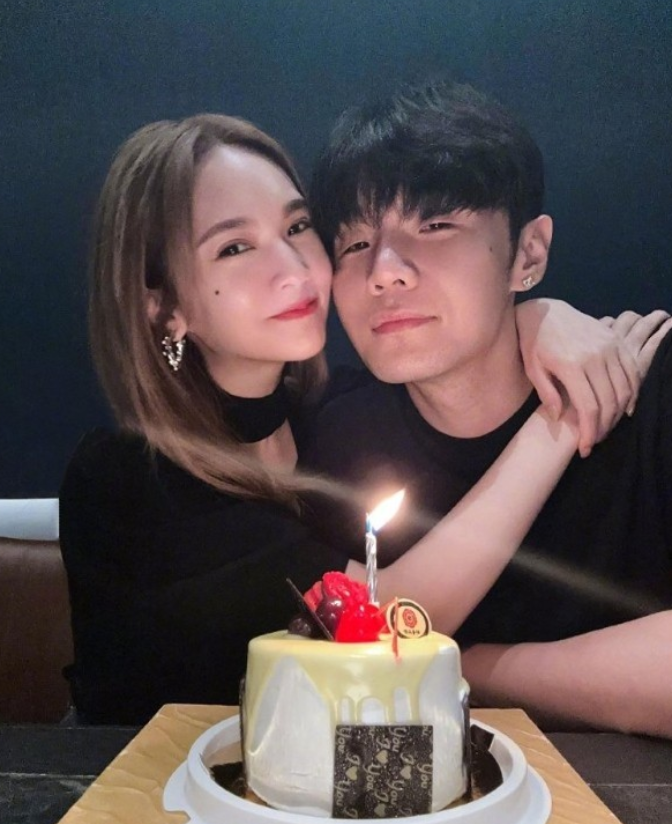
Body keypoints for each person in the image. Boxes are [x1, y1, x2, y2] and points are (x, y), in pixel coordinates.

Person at [60, 113, 648, 725]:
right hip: (146, 774)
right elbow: (386, 619)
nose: (295, 268)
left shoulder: (335, 420)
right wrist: (560, 419)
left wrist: (528, 316)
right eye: (234, 247)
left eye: (297, 227)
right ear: (164, 308)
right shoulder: (127, 479)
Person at [305, 79, 672, 736]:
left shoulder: (649, 382)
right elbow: (331, 667)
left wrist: (472, 668)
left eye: (436, 225)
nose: (384, 271)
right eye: (355, 244)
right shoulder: (338, 439)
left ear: (528, 253)